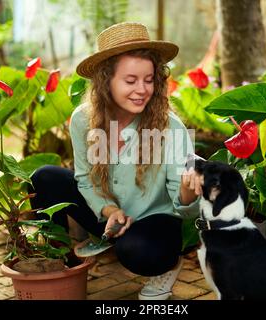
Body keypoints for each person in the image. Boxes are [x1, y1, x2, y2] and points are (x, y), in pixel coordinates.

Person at [29, 22, 202, 300]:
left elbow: (183, 209)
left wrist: (188, 190)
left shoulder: (172, 128)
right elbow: (84, 178)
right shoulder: (83, 120)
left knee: (138, 252)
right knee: (44, 178)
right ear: (105, 80)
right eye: (130, 80)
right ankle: (61, 259)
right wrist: (109, 211)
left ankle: (167, 266)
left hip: (152, 220)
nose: (142, 90)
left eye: (149, 79)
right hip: (108, 216)